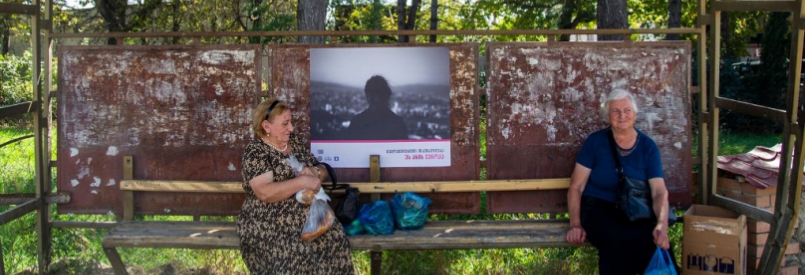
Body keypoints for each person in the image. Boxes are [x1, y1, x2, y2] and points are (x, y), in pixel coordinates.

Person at [237, 98, 354, 274]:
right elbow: (264, 192)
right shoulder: (256, 152)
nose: (291, 128)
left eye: (290, 122)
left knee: (334, 238)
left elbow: (322, 169)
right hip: (270, 223)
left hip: (308, 219)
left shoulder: (295, 143)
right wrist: (302, 182)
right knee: (294, 255)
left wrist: (315, 172)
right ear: (266, 126)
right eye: (285, 123)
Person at [565, 89, 676, 275]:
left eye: (627, 110)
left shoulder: (648, 146)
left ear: (634, 114)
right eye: (615, 111)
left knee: (653, 240)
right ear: (608, 116)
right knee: (616, 238)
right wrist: (575, 224)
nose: (622, 115)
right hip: (598, 207)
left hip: (635, 208)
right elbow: (576, 187)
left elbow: (659, 191)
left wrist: (661, 226)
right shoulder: (595, 142)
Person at [345, 75, 408, 140]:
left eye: (378, 94)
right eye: (371, 94)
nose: (375, 99)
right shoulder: (397, 123)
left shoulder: (357, 121)